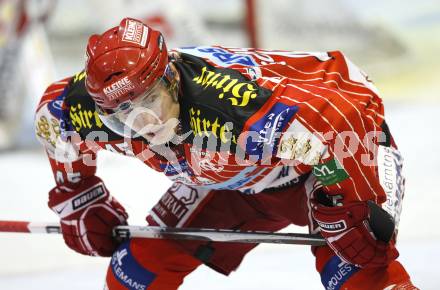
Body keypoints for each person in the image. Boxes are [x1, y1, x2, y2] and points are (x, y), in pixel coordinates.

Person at [35, 17, 417, 289]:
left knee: (359, 265)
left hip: (331, 158)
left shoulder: (233, 106)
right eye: (121, 116)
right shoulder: (103, 107)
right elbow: (53, 111)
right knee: (135, 272)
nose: (142, 124)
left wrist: (353, 206)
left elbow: (339, 118)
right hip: (237, 179)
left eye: (150, 100)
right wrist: (78, 195)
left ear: (171, 77)